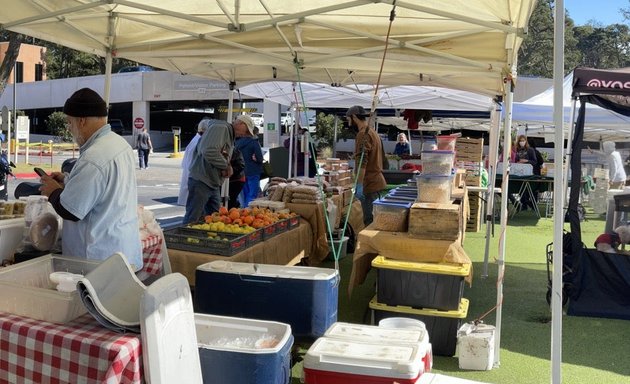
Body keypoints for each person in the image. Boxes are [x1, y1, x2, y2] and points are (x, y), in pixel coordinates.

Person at [39, 88, 142, 269]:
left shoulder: (93, 157)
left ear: (82, 121)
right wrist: (67, 179)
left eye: (70, 123)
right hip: (120, 250)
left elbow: (70, 210)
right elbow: (103, 189)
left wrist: (52, 191)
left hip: (98, 259)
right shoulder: (119, 144)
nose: (69, 128)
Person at [183, 118, 234, 224]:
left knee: (214, 215)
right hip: (202, 181)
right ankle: (186, 236)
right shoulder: (201, 141)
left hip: (212, 182)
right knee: (194, 215)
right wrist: (225, 166)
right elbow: (207, 154)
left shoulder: (203, 141)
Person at [346, 105, 387, 226]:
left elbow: (362, 162)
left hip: (370, 184)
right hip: (377, 182)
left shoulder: (363, 134)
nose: (348, 123)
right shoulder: (373, 132)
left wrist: (359, 184)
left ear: (354, 117)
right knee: (375, 220)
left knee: (370, 222)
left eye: (349, 120)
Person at [234, 114, 264, 207]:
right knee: (252, 195)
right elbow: (260, 158)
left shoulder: (236, 142)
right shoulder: (253, 142)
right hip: (253, 172)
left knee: (243, 194)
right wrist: (256, 159)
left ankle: (243, 211)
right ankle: (249, 211)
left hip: (241, 172)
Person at [177, 118, 207, 206]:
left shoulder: (195, 140)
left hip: (191, 177)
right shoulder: (199, 142)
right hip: (194, 179)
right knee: (193, 212)